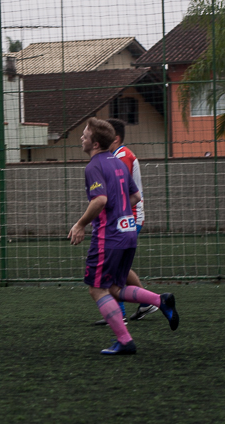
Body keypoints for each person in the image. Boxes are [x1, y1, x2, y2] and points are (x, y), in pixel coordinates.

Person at [68, 118, 179, 355]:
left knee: (97, 289)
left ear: (95, 144)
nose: (81, 138)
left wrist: (80, 225)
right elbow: (136, 197)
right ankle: (160, 300)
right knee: (116, 289)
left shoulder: (94, 166)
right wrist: (120, 210)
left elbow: (100, 200)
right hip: (128, 233)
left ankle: (125, 341)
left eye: (85, 135)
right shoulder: (117, 163)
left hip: (108, 237)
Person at [98, 117, 159, 323]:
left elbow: (121, 191)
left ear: (114, 138)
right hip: (124, 217)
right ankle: (145, 302)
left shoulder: (122, 156)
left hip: (127, 217)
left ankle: (120, 314)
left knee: (112, 267)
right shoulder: (116, 156)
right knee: (117, 267)